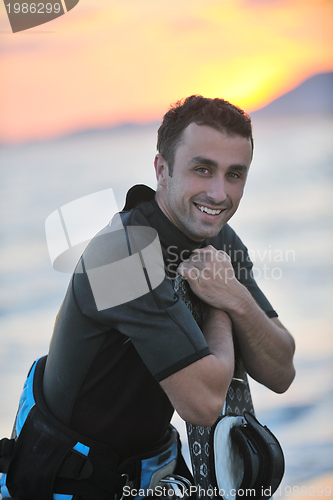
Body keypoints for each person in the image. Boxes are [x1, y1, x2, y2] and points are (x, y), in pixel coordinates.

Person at [0, 96, 295, 500]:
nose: (218, 193)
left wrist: (234, 296)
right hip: (67, 478)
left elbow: (281, 371)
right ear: (161, 169)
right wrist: (222, 306)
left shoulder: (219, 242)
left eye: (234, 175)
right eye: (202, 169)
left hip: (151, 470)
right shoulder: (119, 256)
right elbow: (204, 402)